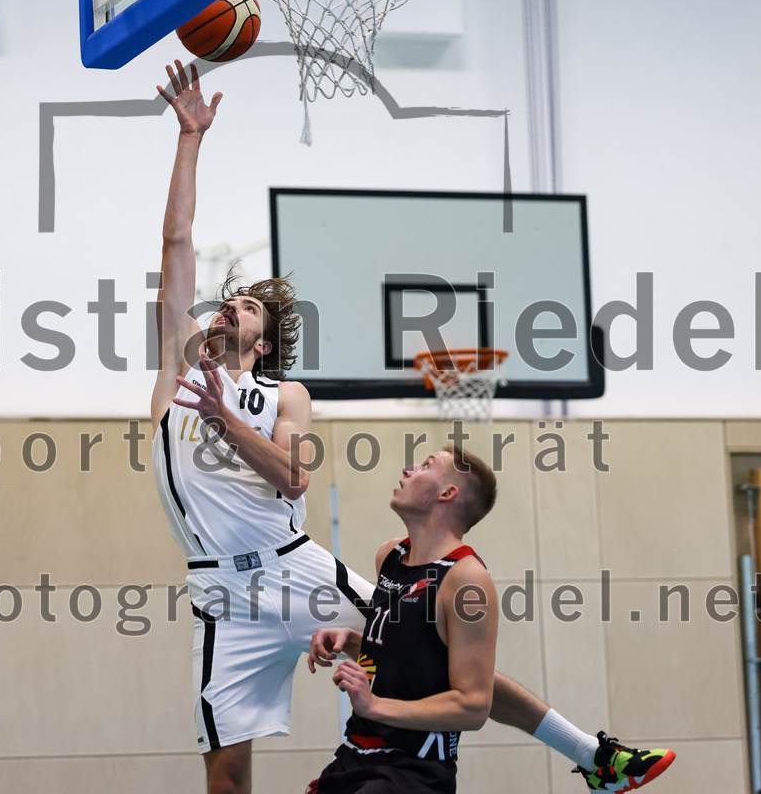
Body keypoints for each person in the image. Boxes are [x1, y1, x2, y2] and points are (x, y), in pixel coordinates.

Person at [150, 60, 675, 794]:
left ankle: (592, 753)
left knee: (446, 654)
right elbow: (176, 242)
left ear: (263, 343)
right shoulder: (173, 379)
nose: (228, 306)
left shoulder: (283, 394)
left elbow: (295, 476)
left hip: (293, 565)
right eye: (226, 300)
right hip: (222, 595)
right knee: (227, 774)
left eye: (246, 307)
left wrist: (227, 422)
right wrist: (189, 138)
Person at [307, 446, 677, 794]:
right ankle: (594, 757)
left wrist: (374, 705)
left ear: (448, 493)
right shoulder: (390, 555)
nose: (408, 469)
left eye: (425, 465)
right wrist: (354, 641)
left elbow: (473, 705)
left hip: (410, 771)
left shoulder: (467, 581)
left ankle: (595, 757)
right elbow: (414, 656)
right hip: (354, 756)